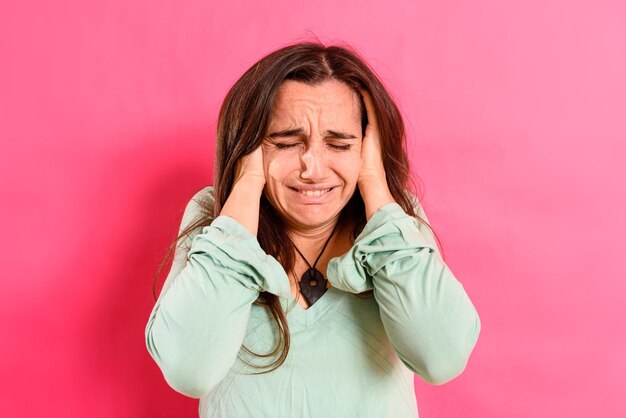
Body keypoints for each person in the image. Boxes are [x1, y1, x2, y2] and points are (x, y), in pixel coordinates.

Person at [145, 41, 481, 418]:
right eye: (287, 142)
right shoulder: (216, 219)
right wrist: (244, 194)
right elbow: (189, 368)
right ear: (250, 144)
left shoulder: (395, 224)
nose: (313, 168)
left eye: (339, 144)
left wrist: (375, 185)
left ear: (366, 148)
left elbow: (441, 357)